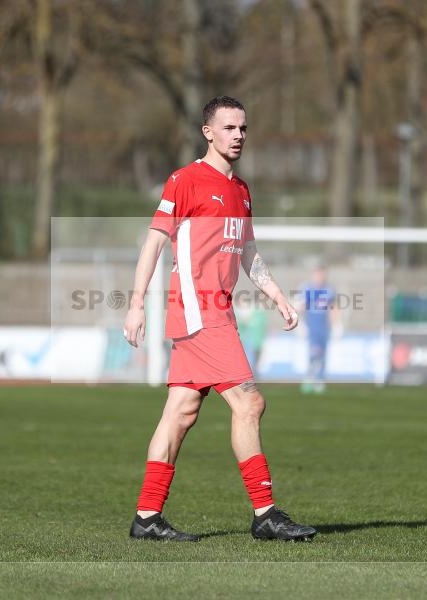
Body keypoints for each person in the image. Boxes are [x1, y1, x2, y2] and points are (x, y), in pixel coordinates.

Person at [123, 96, 317, 541]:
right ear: (208, 132)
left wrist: (278, 297)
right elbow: (153, 244)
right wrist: (135, 304)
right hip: (199, 311)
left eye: (243, 128)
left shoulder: (242, 190)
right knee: (250, 403)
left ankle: (147, 519)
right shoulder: (185, 180)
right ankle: (266, 513)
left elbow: (247, 251)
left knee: (181, 412)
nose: (239, 136)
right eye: (229, 128)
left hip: (216, 311)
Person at [296, 263, 338, 394]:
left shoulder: (329, 289)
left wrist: (336, 325)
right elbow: (300, 306)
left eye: (322, 274)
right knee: (313, 353)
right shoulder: (307, 288)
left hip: (324, 327)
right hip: (312, 326)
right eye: (317, 274)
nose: (319, 277)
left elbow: (333, 308)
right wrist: (300, 323)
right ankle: (309, 378)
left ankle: (319, 380)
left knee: (323, 354)